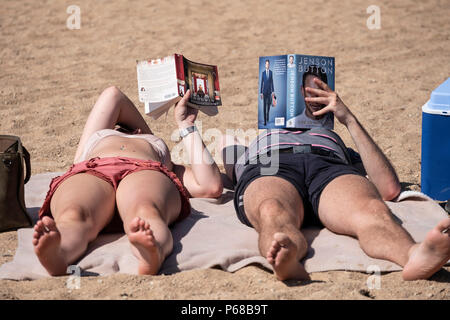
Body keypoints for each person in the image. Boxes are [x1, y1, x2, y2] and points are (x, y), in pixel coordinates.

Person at [221, 77, 450, 281]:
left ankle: (412, 255)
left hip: (327, 164)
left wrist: (348, 118)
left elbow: (388, 188)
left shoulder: (332, 137)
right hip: (271, 164)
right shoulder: (255, 142)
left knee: (371, 209)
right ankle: (288, 257)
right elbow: (221, 170)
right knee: (271, 209)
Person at [32, 87, 223, 276]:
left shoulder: (163, 156)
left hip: (143, 169)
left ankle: (152, 251)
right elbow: (113, 95)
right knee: (73, 214)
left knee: (145, 211)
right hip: (94, 169)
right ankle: (59, 253)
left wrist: (186, 125)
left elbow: (210, 186)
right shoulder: (96, 137)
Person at [289, 65, 333, 129]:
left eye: (319, 92)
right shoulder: (291, 124)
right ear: (302, 91)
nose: (315, 99)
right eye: (310, 92)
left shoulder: (334, 121)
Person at [260, 60, 274, 126]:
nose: (267, 65)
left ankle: (268, 113)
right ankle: (265, 121)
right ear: (265, 65)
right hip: (264, 92)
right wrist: (261, 92)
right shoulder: (263, 73)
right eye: (266, 64)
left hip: (269, 92)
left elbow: (272, 82)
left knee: (268, 105)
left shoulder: (271, 72)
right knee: (264, 106)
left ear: (269, 65)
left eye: (268, 64)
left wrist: (273, 91)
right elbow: (261, 83)